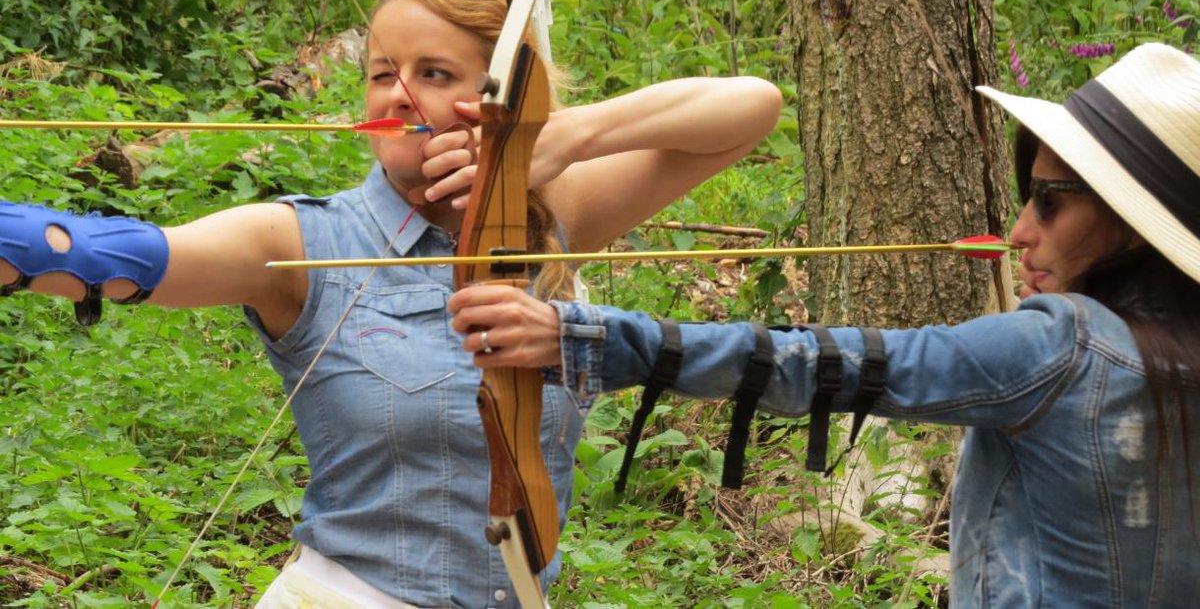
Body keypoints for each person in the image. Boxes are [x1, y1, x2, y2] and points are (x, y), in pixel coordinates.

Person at [0, 0, 783, 608]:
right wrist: (26, 244)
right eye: (383, 73)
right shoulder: (305, 239)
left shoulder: (549, 219)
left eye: (435, 73)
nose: (399, 96)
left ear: (505, 96)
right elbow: (131, 256)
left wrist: (560, 139)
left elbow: (751, 106)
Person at [448, 42, 1200, 607]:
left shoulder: (1057, 347)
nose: (1018, 231)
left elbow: (814, 362)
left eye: (1049, 202)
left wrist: (588, 336)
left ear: (1131, 225)